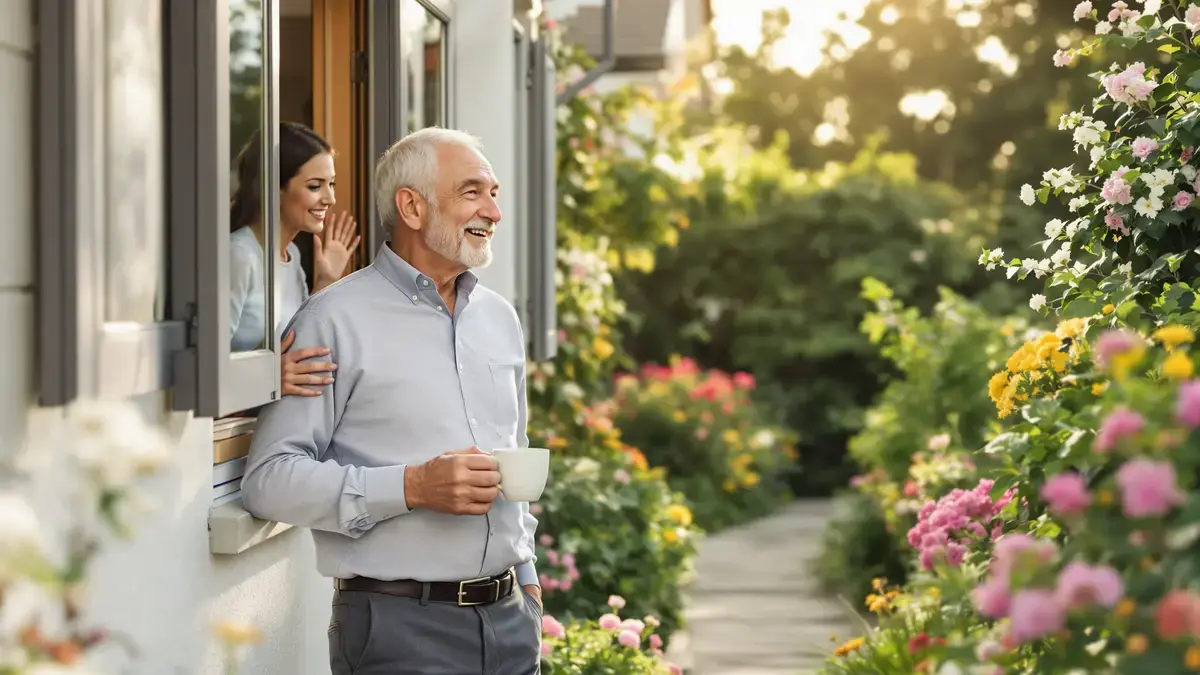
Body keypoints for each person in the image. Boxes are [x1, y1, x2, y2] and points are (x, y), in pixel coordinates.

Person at [241, 127, 542, 675]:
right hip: (398, 630)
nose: (494, 211)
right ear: (412, 206)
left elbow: (512, 457)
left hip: (510, 625)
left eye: (495, 192)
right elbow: (269, 481)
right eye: (473, 192)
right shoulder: (332, 321)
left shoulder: (500, 319)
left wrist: (529, 584)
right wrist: (410, 487)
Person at [228, 121, 360, 396]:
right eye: (315, 186)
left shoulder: (292, 256)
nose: (330, 198)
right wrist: (265, 376)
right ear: (273, 188)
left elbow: (297, 342)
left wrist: (325, 282)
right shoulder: (239, 256)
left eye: (331, 184)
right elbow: (206, 367)